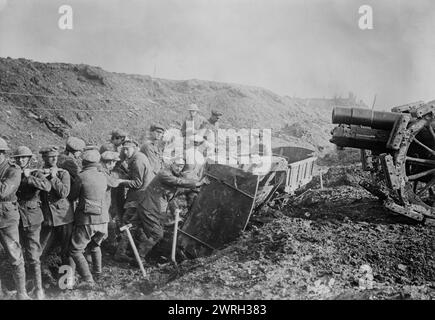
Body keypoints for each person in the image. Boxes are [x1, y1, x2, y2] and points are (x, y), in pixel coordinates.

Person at [133, 157, 208, 263]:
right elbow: (178, 182)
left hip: (154, 207)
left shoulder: (173, 175)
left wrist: (196, 188)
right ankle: (139, 257)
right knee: (157, 234)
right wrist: (197, 184)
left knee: (137, 227)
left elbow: (179, 189)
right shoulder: (164, 174)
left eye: (181, 166)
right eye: (177, 165)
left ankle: (125, 253)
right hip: (149, 206)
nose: (179, 168)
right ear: (172, 163)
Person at [12, 146, 51, 300]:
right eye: (18, 158)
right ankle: (26, 285)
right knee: (19, 253)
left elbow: (47, 186)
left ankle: (39, 289)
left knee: (34, 255)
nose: (21, 160)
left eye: (23, 158)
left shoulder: (35, 173)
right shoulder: (13, 173)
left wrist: (30, 178)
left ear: (29, 159)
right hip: (17, 218)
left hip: (33, 218)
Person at [69, 149, 108, 289]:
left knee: (75, 250)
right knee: (95, 245)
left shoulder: (82, 176)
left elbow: (72, 196)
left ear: (84, 162)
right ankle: (98, 273)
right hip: (103, 220)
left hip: (87, 218)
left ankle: (88, 280)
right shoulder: (103, 176)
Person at [0, 138, 31, 300]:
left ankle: (22, 292)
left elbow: (3, 192)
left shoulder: (13, 170)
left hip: (7, 216)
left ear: (2, 153)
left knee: (15, 256)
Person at [38, 146, 75, 283]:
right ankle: (41, 279)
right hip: (48, 219)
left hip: (64, 217)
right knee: (41, 250)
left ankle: (67, 282)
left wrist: (53, 178)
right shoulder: (39, 173)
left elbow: (64, 193)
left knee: (66, 251)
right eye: (50, 156)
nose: (54, 159)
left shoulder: (63, 173)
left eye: (56, 156)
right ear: (44, 158)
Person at [113, 139, 153, 262]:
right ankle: (136, 249)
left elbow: (137, 182)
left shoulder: (137, 161)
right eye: (123, 149)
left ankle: (121, 252)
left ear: (135, 148)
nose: (125, 152)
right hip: (141, 196)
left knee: (128, 223)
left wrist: (120, 181)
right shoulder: (138, 157)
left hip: (138, 196)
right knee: (135, 224)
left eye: (127, 149)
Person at [99, 151, 122, 253]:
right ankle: (91, 251)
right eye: (114, 163)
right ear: (109, 162)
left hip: (104, 204)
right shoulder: (101, 171)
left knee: (109, 226)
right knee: (106, 228)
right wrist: (122, 180)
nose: (114, 165)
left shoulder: (105, 170)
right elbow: (112, 182)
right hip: (100, 205)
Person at [57, 136, 86, 204]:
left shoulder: (60, 156)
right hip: (65, 194)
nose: (80, 153)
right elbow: (80, 175)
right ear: (74, 151)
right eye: (80, 151)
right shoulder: (68, 161)